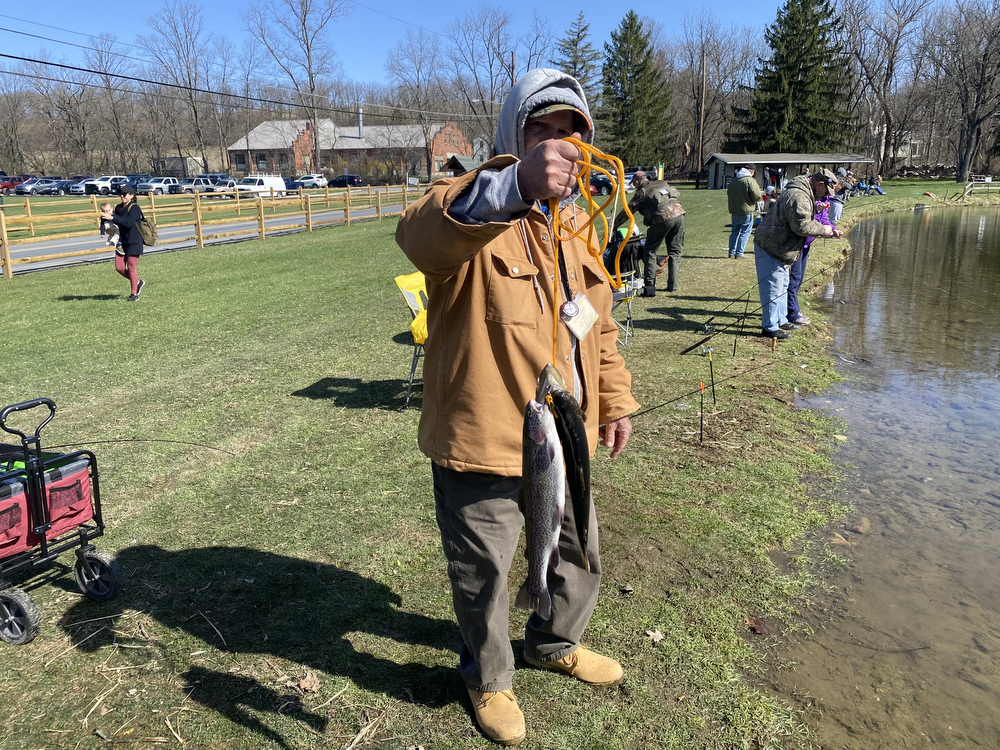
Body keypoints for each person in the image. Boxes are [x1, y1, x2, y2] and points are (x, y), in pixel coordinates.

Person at [395, 68, 640, 746]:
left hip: (568, 438)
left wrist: (614, 401)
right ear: (514, 135)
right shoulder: (476, 206)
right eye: (544, 129)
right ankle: (488, 678)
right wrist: (515, 184)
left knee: (573, 555)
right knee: (485, 574)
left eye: (571, 133)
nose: (560, 145)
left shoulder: (579, 229)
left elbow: (599, 327)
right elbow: (418, 236)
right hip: (484, 439)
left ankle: (555, 642)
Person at [753, 169, 843, 340]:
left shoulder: (806, 193)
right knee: (772, 288)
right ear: (820, 184)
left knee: (782, 285)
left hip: (783, 249)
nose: (825, 196)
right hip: (772, 247)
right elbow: (801, 226)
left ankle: (781, 319)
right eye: (826, 191)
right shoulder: (799, 196)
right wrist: (825, 230)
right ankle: (769, 327)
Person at [612, 171, 685, 297]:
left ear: (636, 181)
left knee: (650, 250)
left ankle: (650, 287)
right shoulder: (662, 182)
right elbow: (676, 194)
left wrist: (614, 225)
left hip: (661, 218)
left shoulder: (642, 192)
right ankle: (672, 287)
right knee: (674, 252)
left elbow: (628, 211)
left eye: (633, 184)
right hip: (680, 215)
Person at [786, 197, 832, 326]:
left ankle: (789, 309)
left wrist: (833, 230)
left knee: (799, 279)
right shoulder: (809, 200)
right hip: (796, 246)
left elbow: (824, 221)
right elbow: (804, 220)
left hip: (806, 246)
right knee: (794, 279)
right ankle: (792, 313)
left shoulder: (825, 202)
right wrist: (817, 209)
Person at [100, 185, 145, 301]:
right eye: (120, 194)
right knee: (119, 268)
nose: (122, 196)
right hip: (121, 242)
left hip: (134, 241)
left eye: (124, 194)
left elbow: (128, 223)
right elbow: (117, 224)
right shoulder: (119, 208)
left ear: (131, 196)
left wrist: (111, 218)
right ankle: (138, 282)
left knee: (131, 267)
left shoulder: (135, 208)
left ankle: (134, 294)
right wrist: (107, 229)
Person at [727, 164, 763, 258]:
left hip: (734, 210)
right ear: (751, 171)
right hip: (746, 210)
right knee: (745, 232)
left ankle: (731, 252)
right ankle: (739, 252)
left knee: (734, 232)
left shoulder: (734, 180)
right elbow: (756, 195)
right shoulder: (750, 180)